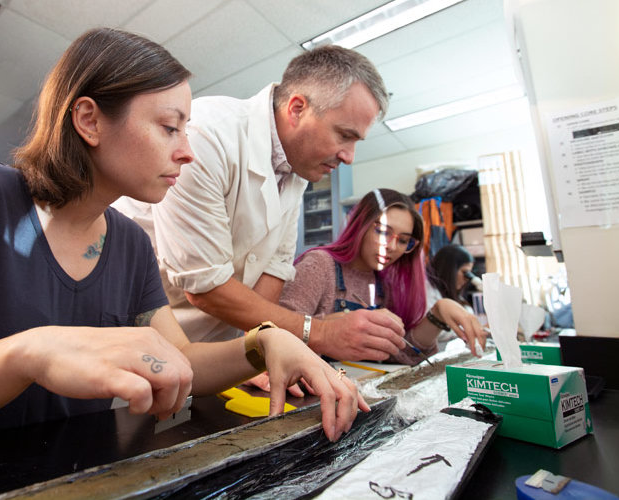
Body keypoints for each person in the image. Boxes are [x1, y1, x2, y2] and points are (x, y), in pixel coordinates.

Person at [0, 29, 364, 462]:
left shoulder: (127, 241)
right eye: (170, 128)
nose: (188, 153)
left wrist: (262, 344)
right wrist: (27, 354)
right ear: (88, 120)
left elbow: (180, 363)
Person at [114, 45, 407, 377]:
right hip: (148, 339)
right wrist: (320, 332)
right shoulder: (207, 136)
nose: (349, 156)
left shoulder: (297, 169)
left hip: (214, 352)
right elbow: (205, 288)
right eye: (344, 135)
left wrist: (258, 352)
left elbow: (274, 268)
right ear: (297, 108)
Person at [280, 189, 487, 365]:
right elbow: (272, 334)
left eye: (404, 240)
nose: (392, 246)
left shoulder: (384, 282)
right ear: (360, 225)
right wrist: (329, 327)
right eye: (382, 231)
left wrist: (437, 315)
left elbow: (402, 356)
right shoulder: (320, 265)